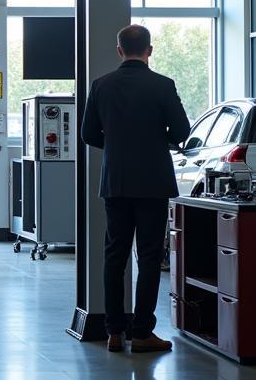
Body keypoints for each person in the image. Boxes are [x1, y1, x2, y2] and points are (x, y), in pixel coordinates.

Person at [81, 24, 190, 355]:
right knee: (148, 256)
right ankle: (142, 331)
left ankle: (114, 331)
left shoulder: (101, 86)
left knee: (114, 255)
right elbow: (182, 130)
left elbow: (88, 134)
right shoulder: (162, 85)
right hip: (154, 181)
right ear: (149, 50)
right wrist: (160, 140)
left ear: (119, 50)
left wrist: (115, 144)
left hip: (115, 181)